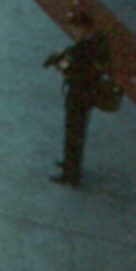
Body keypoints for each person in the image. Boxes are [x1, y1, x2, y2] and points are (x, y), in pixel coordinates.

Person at [44, 10, 114, 187]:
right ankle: (71, 164)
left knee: (73, 133)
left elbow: (75, 69)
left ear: (82, 28)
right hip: (86, 95)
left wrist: (61, 65)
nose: (74, 33)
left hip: (79, 95)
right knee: (77, 132)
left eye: (75, 29)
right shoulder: (96, 42)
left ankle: (71, 172)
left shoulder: (84, 48)